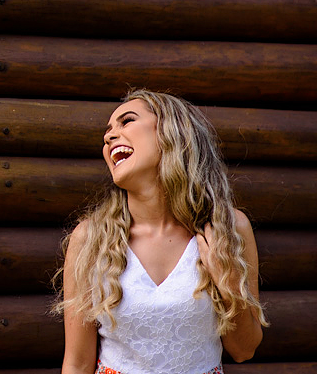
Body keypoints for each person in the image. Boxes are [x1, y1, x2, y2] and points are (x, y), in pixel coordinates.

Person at [57, 89, 266, 374]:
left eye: (126, 121)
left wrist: (227, 283)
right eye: (107, 131)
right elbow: (77, 363)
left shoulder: (229, 228)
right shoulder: (90, 238)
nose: (109, 136)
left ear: (172, 132)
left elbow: (244, 350)